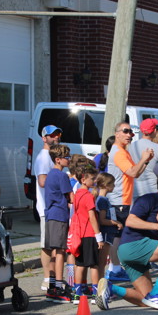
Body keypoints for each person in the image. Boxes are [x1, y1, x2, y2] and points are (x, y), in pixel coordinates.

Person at [96, 171, 158, 311]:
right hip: (133, 245)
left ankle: (111, 288)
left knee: (146, 301)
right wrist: (156, 226)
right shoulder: (148, 199)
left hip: (133, 252)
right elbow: (130, 221)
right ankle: (156, 293)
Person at [108, 121, 154, 279]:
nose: (129, 135)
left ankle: (116, 267)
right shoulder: (119, 153)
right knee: (117, 236)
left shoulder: (123, 151)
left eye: (131, 133)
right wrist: (143, 158)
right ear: (117, 134)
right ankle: (114, 269)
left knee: (120, 235)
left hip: (123, 200)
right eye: (125, 131)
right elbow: (133, 172)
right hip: (117, 200)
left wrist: (146, 161)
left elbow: (136, 173)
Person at [69, 163, 102, 302]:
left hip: (79, 234)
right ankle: (95, 294)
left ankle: (77, 293)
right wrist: (98, 235)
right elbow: (92, 216)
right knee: (94, 265)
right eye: (92, 179)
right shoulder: (88, 196)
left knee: (80, 264)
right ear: (83, 180)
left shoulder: (77, 194)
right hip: (89, 233)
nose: (94, 181)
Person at [43, 144, 73, 302]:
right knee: (61, 251)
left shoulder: (50, 174)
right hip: (60, 214)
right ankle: (60, 285)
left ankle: (52, 285)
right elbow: (71, 197)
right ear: (58, 160)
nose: (69, 159)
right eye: (66, 157)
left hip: (51, 214)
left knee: (54, 251)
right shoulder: (62, 176)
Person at [35, 125, 62, 292]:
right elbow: (42, 182)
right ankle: (46, 278)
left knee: (55, 245)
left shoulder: (53, 156)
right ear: (44, 138)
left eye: (58, 134)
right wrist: (60, 176)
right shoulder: (43, 157)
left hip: (56, 208)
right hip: (46, 208)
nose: (56, 137)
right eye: (52, 135)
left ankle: (54, 277)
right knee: (46, 245)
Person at [130, 118, 158, 197]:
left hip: (133, 189)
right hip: (151, 190)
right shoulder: (157, 147)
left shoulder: (131, 146)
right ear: (154, 131)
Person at [94, 172, 120, 280]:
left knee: (103, 261)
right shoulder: (102, 200)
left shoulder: (104, 199)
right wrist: (116, 223)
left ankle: (101, 281)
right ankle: (100, 282)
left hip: (108, 234)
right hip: (105, 233)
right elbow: (102, 220)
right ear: (106, 185)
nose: (114, 186)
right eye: (112, 184)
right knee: (102, 261)